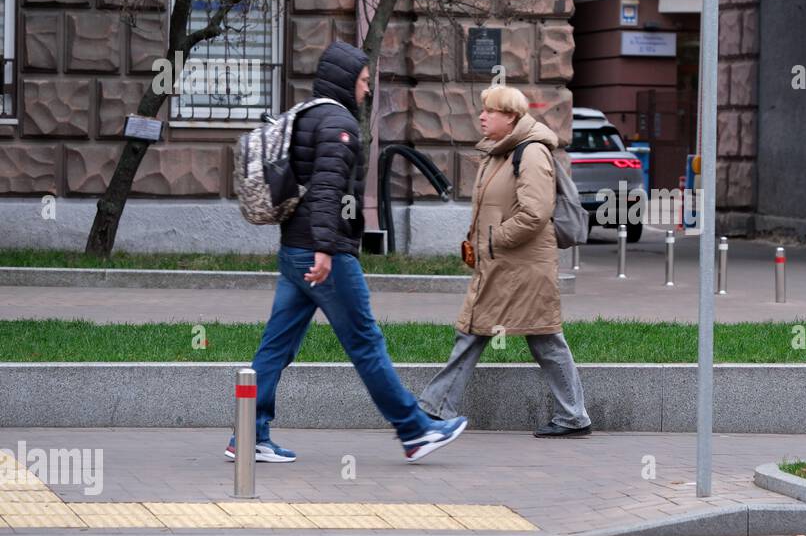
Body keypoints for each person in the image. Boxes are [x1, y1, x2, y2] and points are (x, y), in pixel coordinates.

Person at [226, 41, 467, 463]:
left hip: (294, 248)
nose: (367, 89)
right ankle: (415, 431)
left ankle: (248, 435)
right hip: (326, 255)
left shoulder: (306, 114)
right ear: (346, 79)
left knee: (276, 345)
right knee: (365, 342)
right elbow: (326, 189)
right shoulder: (339, 124)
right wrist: (324, 248)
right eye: (364, 80)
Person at [418, 85, 593, 438]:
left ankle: (434, 408)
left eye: (490, 111)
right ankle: (573, 415)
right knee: (493, 332)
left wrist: (492, 240)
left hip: (523, 267)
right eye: (483, 110)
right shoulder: (499, 152)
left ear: (511, 117)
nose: (482, 116)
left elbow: (535, 213)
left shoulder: (531, 153)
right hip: (504, 264)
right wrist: (480, 243)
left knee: (514, 334)